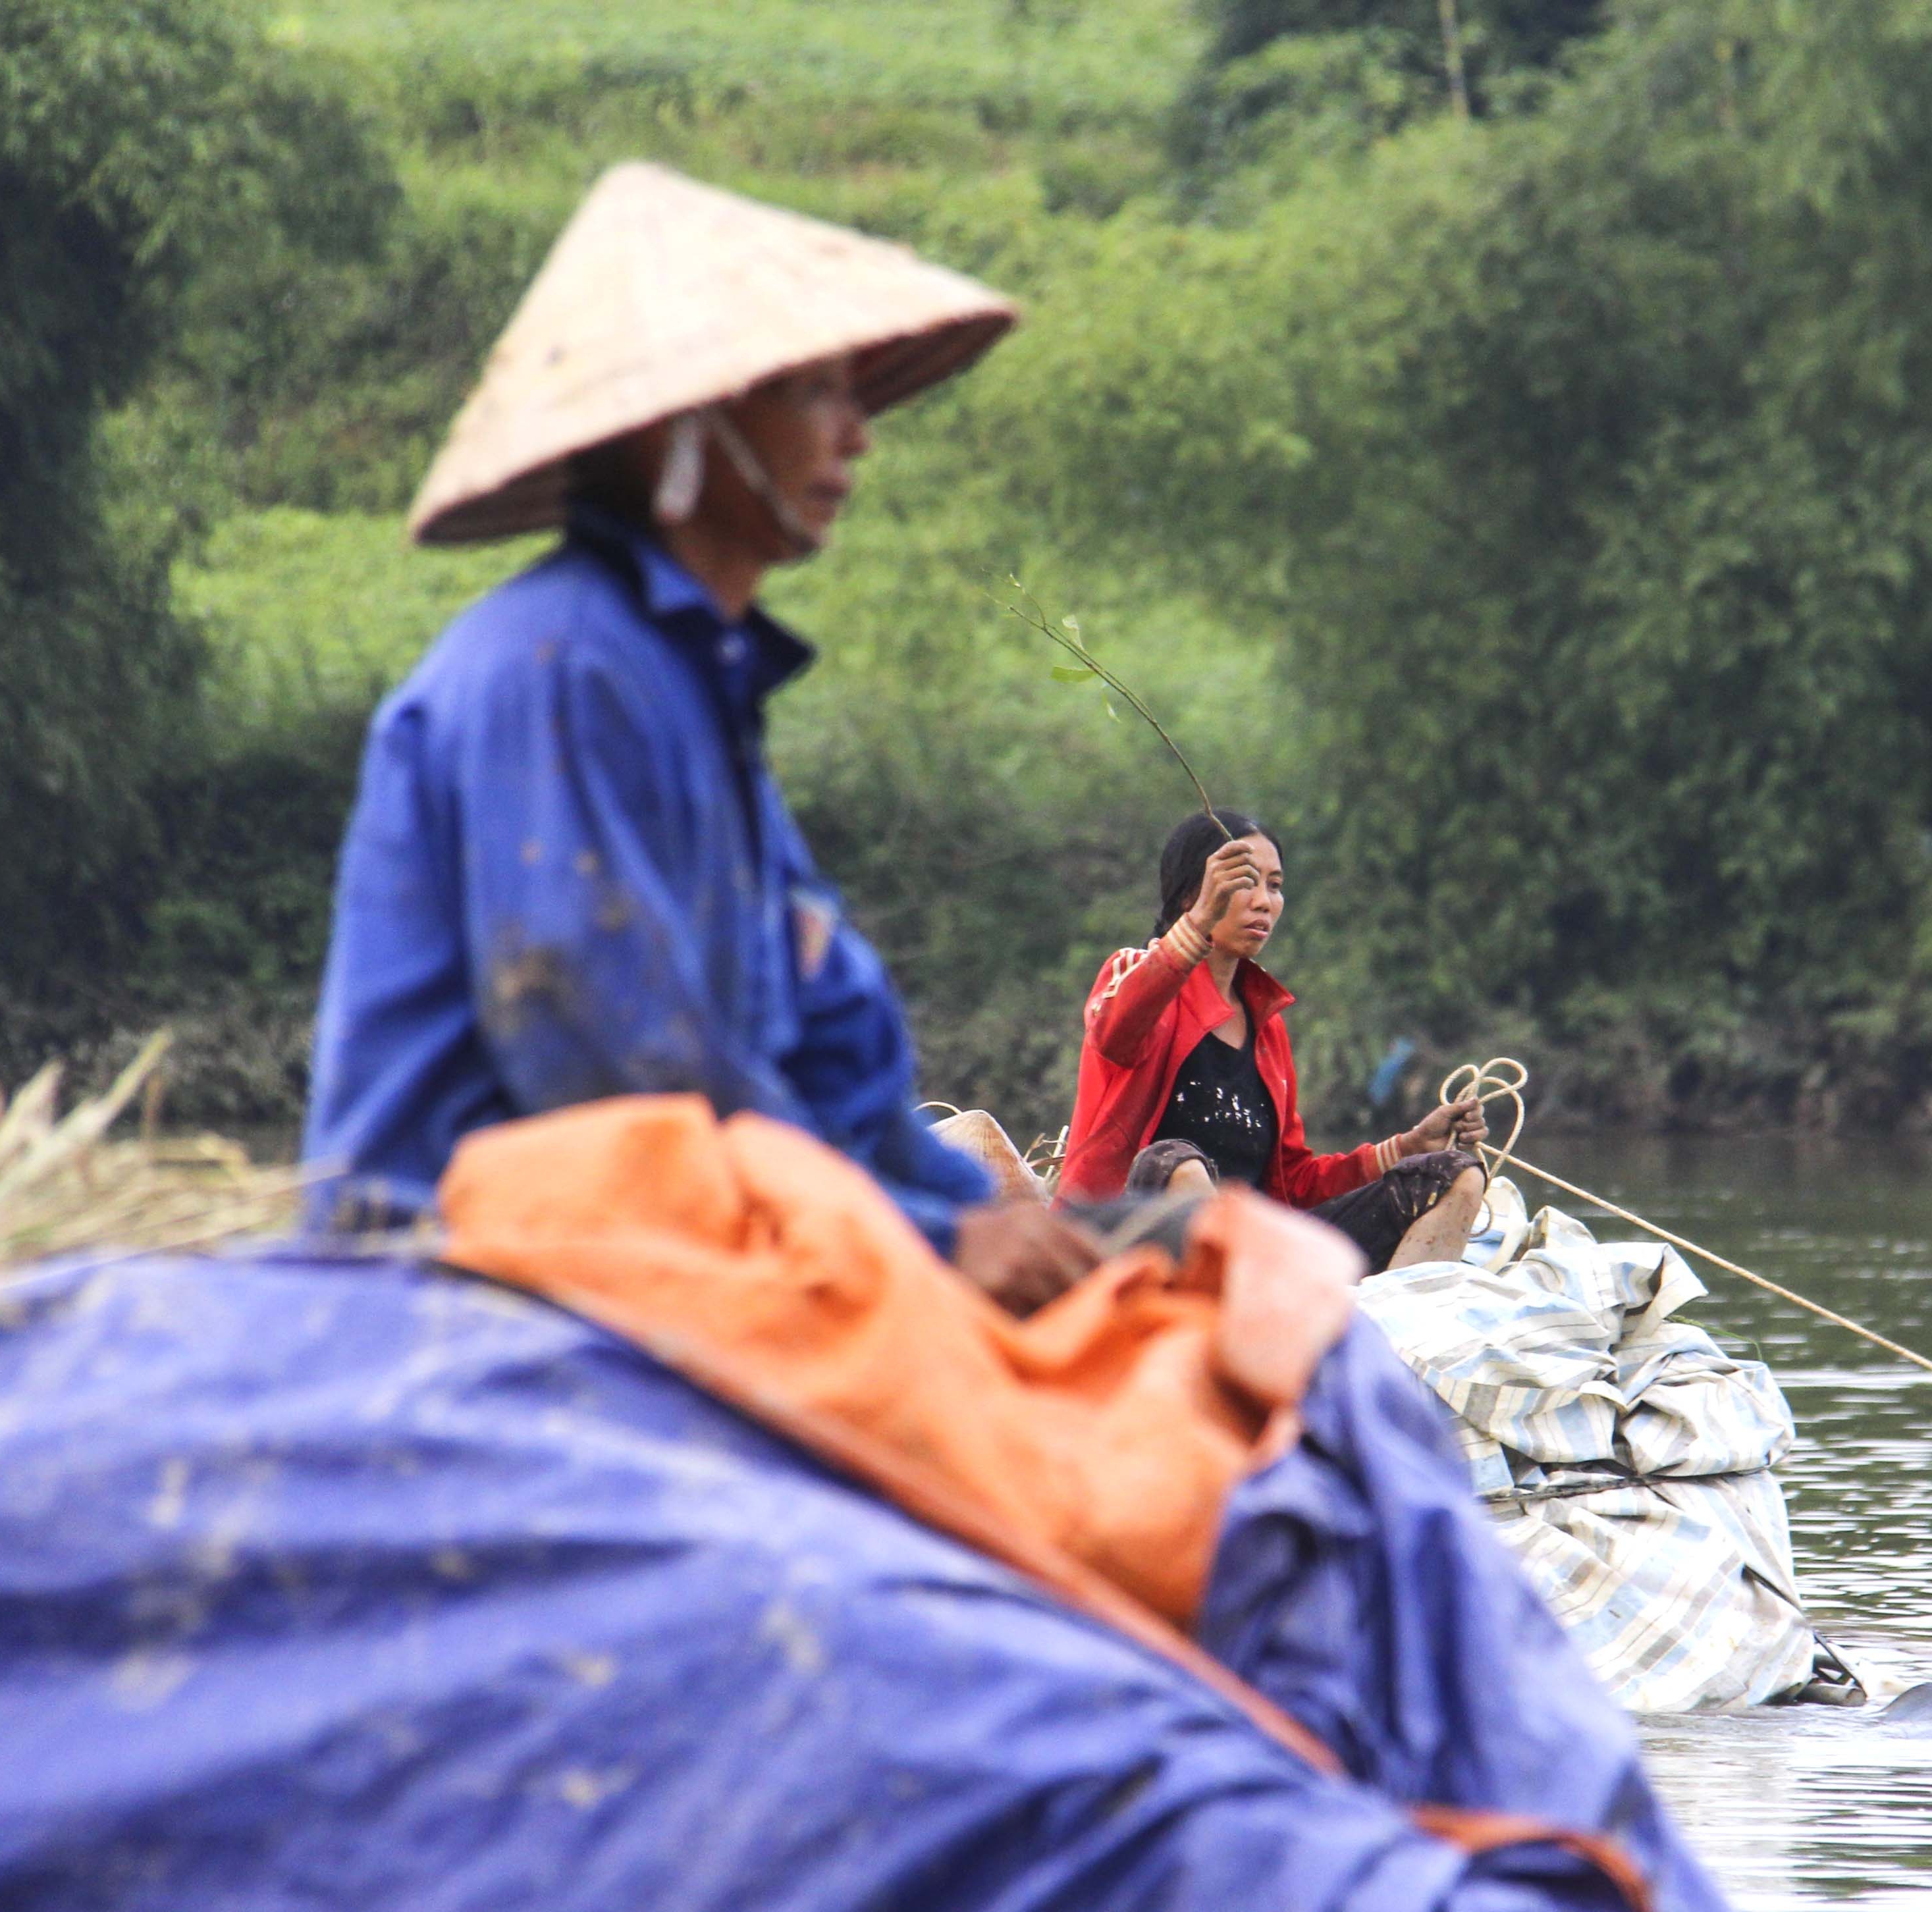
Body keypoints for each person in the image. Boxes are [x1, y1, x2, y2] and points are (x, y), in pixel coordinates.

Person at [301, 162, 1093, 1314]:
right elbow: (618, 1078)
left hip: (707, 1251)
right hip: (472, 1286)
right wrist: (924, 1248)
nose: (856, 437)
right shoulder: (558, 672)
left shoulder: (693, 690)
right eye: (813, 392)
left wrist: (993, 1221)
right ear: (689, 427)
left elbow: (835, 1069)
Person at [1060, 810, 1488, 1275]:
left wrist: (1408, 1146)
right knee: (1175, 1161)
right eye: (1245, 881)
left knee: (1454, 1176)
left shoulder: (1266, 1025)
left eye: (1276, 885)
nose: (1264, 901)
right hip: (1126, 1241)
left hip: (1257, 1254)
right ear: (1191, 893)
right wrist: (1199, 921)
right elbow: (1115, 1032)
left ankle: (1399, 1336)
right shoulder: (1132, 972)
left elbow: (1296, 1183)